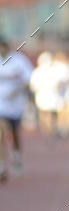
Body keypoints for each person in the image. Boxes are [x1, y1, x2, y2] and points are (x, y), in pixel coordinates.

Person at [0, 37, 33, 181]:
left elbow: (29, 79)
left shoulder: (19, 61)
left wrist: (18, 89)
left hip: (15, 105)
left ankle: (16, 155)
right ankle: (1, 167)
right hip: (1, 105)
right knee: (1, 132)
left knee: (14, 133)